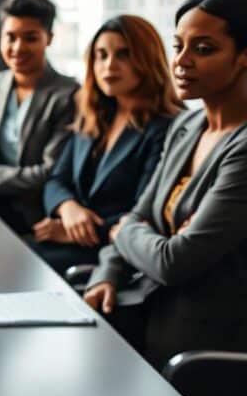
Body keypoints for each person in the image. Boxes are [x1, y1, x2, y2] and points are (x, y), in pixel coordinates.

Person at [84, 0, 247, 396]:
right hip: (148, 313)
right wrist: (108, 272)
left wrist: (124, 232)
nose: (182, 61)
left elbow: (175, 261)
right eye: (178, 46)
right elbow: (139, 216)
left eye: (203, 49)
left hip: (208, 348)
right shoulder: (188, 124)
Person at [32, 16, 181, 273]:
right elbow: (57, 179)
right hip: (71, 239)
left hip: (114, 253)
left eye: (123, 55)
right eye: (101, 55)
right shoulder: (95, 113)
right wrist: (67, 208)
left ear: (146, 60)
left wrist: (73, 231)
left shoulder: (167, 126)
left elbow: (146, 210)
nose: (109, 65)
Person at [0, 0, 79, 234]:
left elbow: (49, 172)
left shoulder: (68, 95)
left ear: (49, 38)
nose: (18, 47)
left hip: (34, 218)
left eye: (30, 38)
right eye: (10, 37)